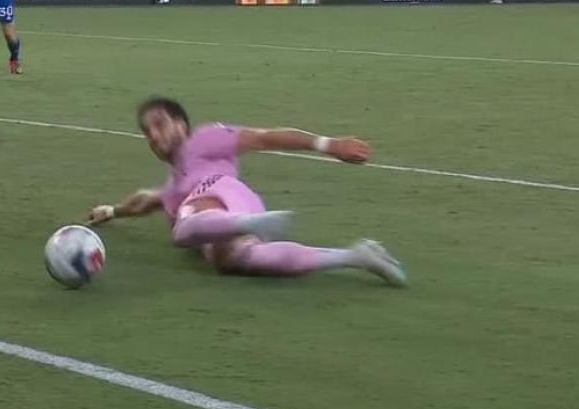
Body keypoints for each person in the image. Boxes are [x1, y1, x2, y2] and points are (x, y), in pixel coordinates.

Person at [86, 97, 407, 285]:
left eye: (160, 124)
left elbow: (265, 138)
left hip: (227, 194)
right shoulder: (174, 188)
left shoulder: (204, 140)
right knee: (232, 260)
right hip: (229, 216)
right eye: (147, 132)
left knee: (184, 224)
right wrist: (113, 211)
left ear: (182, 125)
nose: (154, 136)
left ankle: (245, 224)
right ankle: (357, 256)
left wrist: (329, 144)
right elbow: (146, 201)